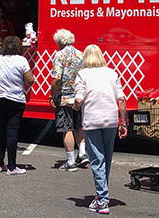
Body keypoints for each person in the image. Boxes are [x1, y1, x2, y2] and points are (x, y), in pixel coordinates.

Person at [73, 44, 127, 215]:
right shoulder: (111, 73)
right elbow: (122, 99)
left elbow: (79, 98)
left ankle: (103, 201)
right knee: (106, 159)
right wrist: (123, 122)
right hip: (111, 120)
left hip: (92, 120)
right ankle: (101, 195)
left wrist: (74, 105)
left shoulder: (83, 74)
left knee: (97, 160)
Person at [0, 36, 34, 175]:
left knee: (1, 131)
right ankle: (11, 166)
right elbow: (30, 81)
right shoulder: (21, 60)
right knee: (12, 133)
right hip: (16, 99)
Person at [50, 29, 88, 172]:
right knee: (79, 125)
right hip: (78, 96)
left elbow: (56, 79)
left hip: (65, 97)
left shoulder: (59, 55)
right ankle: (83, 153)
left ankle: (70, 161)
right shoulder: (81, 54)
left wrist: (52, 95)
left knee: (67, 128)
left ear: (60, 41)